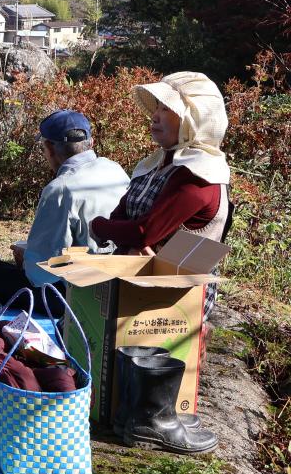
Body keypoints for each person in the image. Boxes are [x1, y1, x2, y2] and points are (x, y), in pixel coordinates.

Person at [91, 72, 231, 314]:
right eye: (157, 107)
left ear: (191, 119)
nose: (155, 116)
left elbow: (144, 231)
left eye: (166, 108)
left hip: (177, 299)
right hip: (141, 280)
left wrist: (99, 226)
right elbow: (121, 216)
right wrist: (124, 233)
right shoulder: (158, 165)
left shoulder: (200, 174)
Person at [0, 110, 129, 306]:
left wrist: (26, 258)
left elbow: (40, 274)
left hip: (72, 293)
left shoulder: (60, 189)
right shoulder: (114, 169)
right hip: (117, 277)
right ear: (91, 142)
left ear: (49, 148)